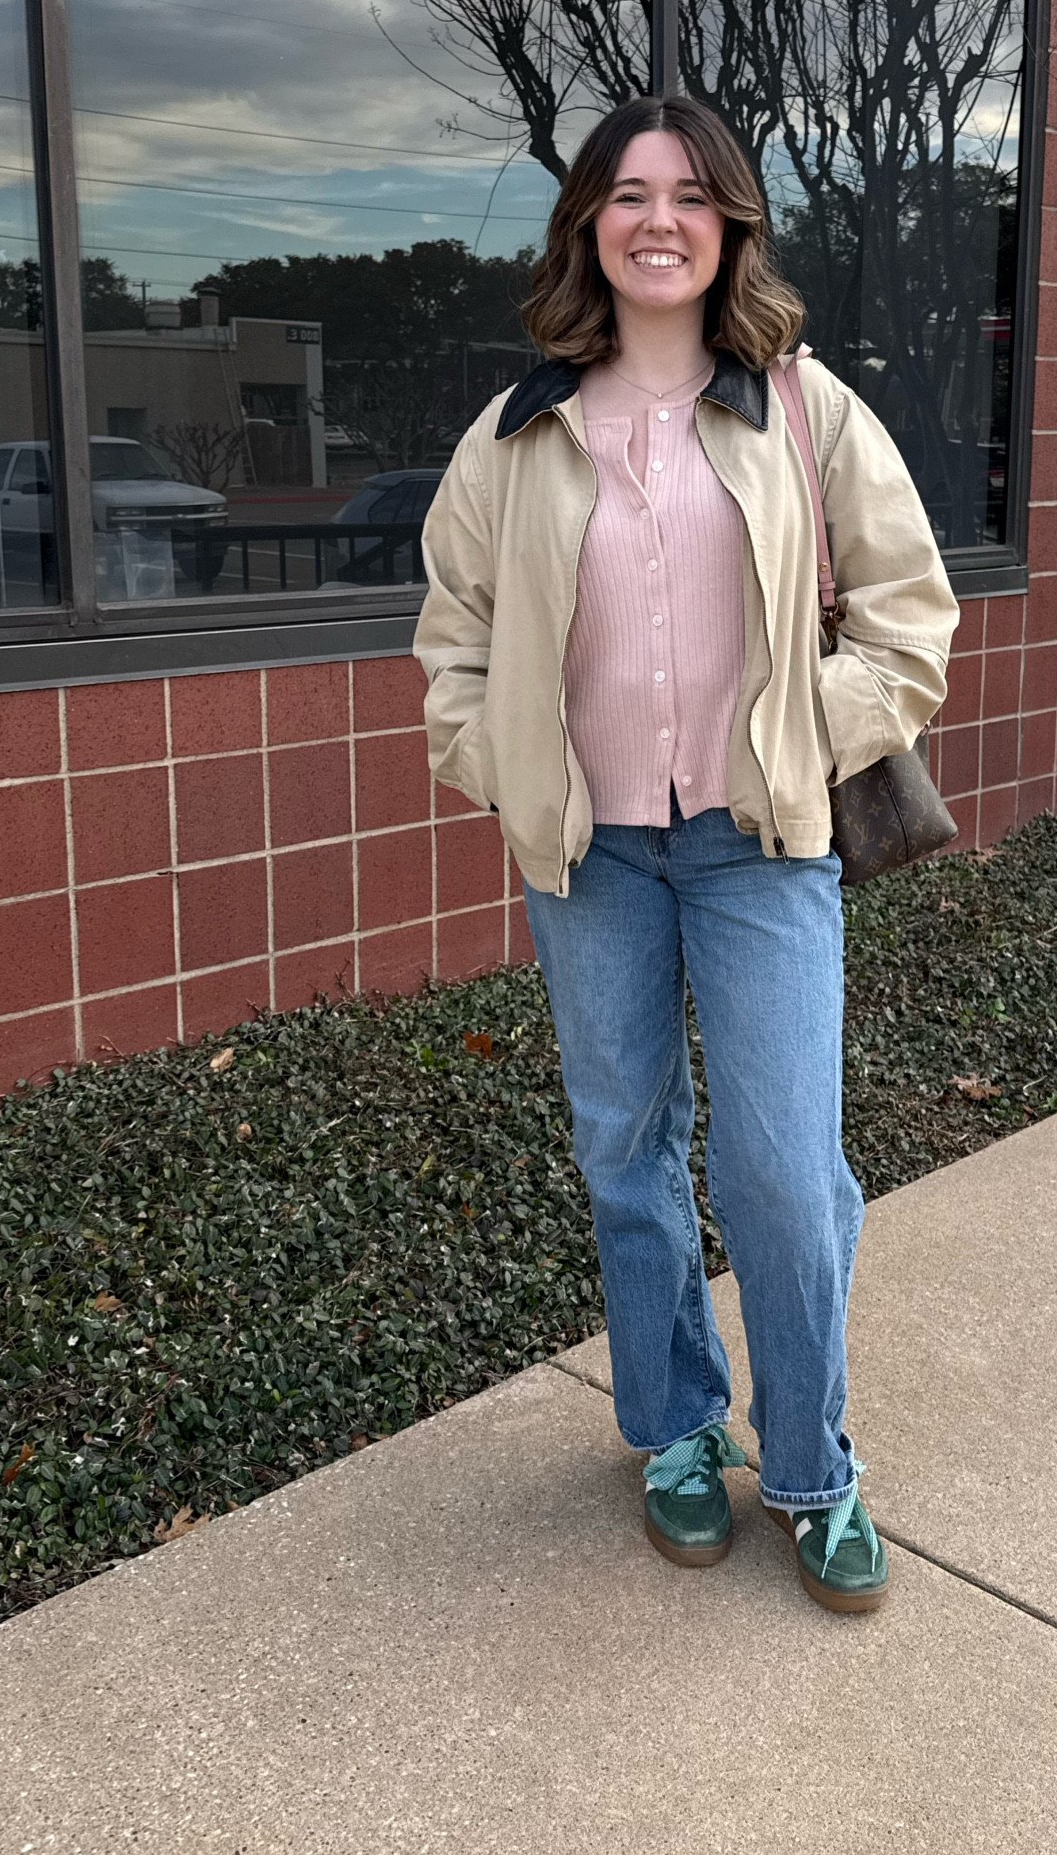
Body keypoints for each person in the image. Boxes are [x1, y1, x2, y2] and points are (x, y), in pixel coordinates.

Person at [415, 96, 958, 1613]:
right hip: (588, 855)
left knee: (784, 1167)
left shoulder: (804, 409)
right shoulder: (519, 433)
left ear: (729, 225)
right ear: (589, 222)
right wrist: (501, 761)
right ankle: (670, 1430)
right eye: (627, 193)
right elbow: (452, 638)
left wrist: (794, 738)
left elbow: (913, 625)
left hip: (760, 844)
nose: (659, 219)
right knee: (625, 1151)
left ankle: (813, 1465)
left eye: (689, 195)